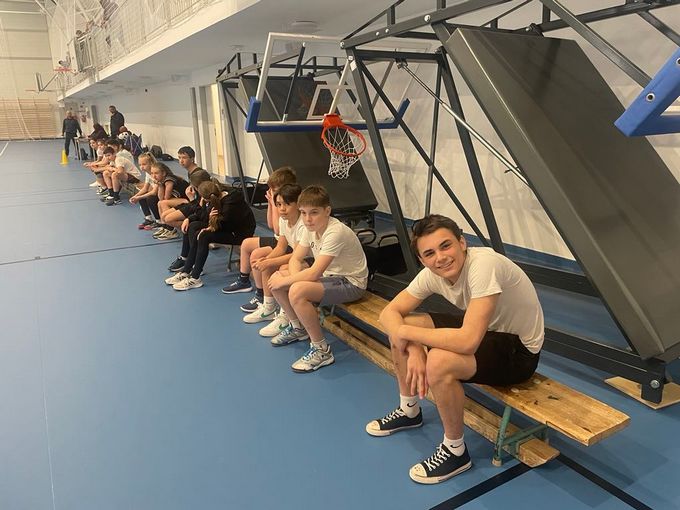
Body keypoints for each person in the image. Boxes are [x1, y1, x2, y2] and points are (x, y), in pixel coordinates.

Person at [365, 214, 544, 485]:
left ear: (462, 243)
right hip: (488, 332)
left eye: (446, 246)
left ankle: (455, 451)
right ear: (422, 260)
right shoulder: (431, 274)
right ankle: (409, 410)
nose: (440, 257)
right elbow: (388, 313)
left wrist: (408, 336)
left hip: (519, 351)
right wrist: (414, 347)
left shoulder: (483, 265)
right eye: (430, 253)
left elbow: (468, 342)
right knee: (403, 324)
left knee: (437, 360)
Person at [268, 185, 368, 373]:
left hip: (351, 283)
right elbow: (296, 258)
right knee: (277, 278)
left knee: (296, 290)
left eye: (314, 212)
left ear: (327, 211)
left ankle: (322, 350)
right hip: (329, 278)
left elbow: (314, 273)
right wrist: (291, 278)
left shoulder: (335, 231)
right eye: (303, 213)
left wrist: (291, 281)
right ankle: (298, 328)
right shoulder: (310, 228)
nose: (308, 219)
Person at [221, 166, 297, 306]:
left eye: (274, 189)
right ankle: (244, 281)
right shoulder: (278, 202)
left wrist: (274, 204)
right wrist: (271, 204)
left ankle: (262, 295)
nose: (271, 192)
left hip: (288, 244)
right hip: (281, 241)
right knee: (246, 243)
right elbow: (270, 224)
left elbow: (277, 229)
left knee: (256, 254)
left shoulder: (287, 205)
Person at [164, 180, 256, 291]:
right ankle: (186, 270)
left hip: (239, 233)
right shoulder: (215, 197)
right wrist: (189, 218)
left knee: (204, 236)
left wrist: (210, 223)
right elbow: (203, 215)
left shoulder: (232, 203)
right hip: (225, 227)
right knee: (192, 226)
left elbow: (225, 225)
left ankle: (195, 278)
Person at [242, 184, 306, 330]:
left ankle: (286, 315)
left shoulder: (303, 224)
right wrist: (267, 259)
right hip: (298, 257)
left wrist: (269, 262)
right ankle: (269, 307)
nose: (282, 209)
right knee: (267, 264)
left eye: (287, 204)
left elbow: (296, 255)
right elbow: (281, 247)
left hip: (309, 259)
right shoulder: (284, 220)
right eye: (278, 204)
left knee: (281, 268)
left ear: (298, 204)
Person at [161, 146, 211, 247]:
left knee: (168, 219)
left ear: (192, 159)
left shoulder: (198, 173)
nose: (181, 161)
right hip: (192, 201)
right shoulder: (190, 172)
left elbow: (203, 194)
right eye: (179, 157)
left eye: (184, 158)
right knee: (164, 215)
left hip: (196, 204)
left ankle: (195, 233)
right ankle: (186, 231)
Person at [100, 139, 141, 206]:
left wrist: (112, 168)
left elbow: (120, 171)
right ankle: (111, 193)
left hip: (134, 176)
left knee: (115, 174)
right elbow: (106, 167)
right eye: (106, 156)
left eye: (109, 155)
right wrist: (93, 166)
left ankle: (116, 198)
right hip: (127, 175)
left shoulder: (118, 158)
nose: (108, 158)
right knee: (106, 173)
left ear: (114, 154)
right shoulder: (112, 160)